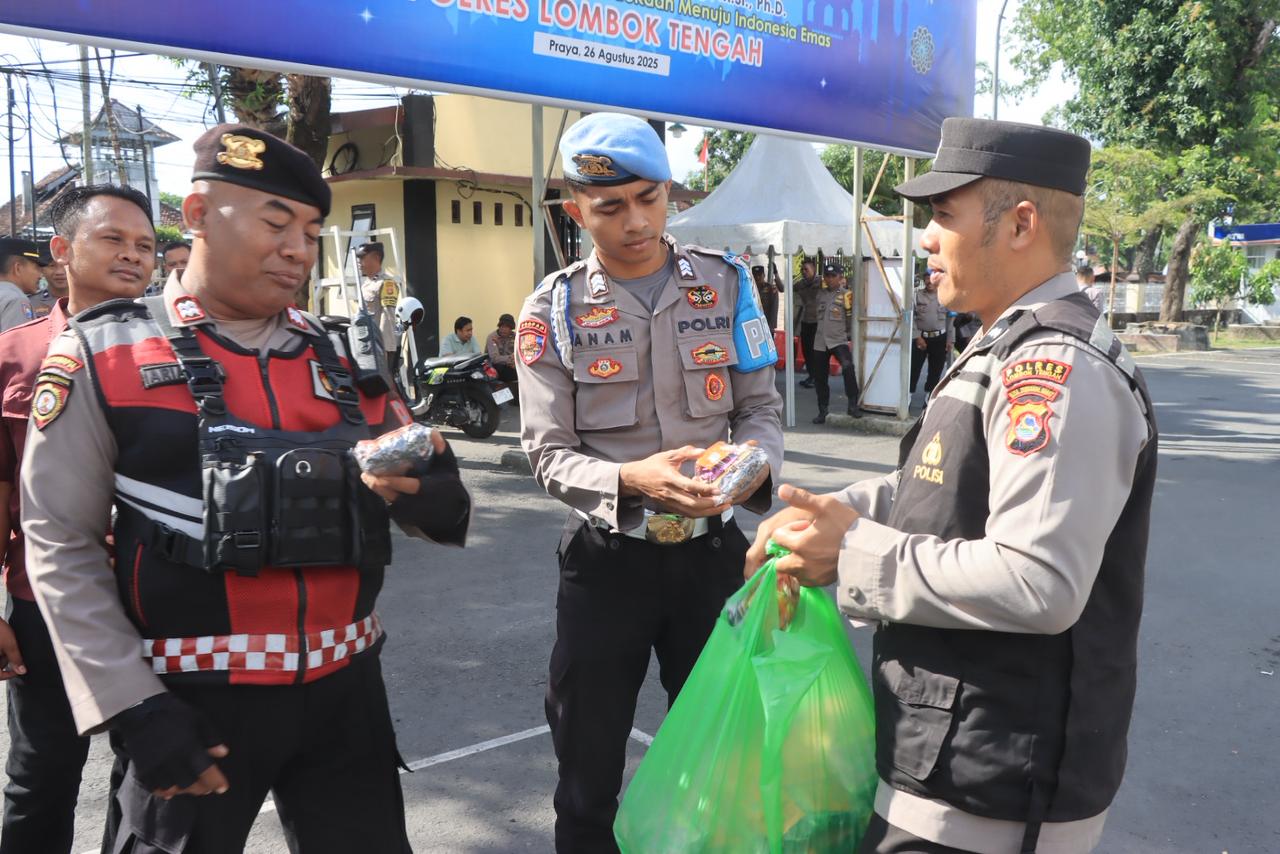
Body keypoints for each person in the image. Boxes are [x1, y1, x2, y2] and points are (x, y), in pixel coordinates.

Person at [22, 125, 472, 853]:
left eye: (311, 232)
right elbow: (60, 542)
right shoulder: (102, 352)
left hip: (347, 693)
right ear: (198, 215)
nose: (298, 248)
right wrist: (131, 706)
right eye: (276, 223)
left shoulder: (341, 352)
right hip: (189, 707)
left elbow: (428, 477)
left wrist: (437, 499)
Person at [745, 118, 1157, 854]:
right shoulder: (1003, 341)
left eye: (942, 215)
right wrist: (838, 514)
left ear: (1021, 224)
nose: (926, 239)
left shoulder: (1057, 367)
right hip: (948, 761)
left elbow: (1037, 580)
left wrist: (853, 555)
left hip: (992, 792)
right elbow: (942, 486)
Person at [516, 112, 783, 853]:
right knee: (587, 773)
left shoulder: (727, 285)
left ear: (670, 193)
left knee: (724, 760)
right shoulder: (553, 309)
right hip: (608, 565)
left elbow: (760, 410)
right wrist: (632, 478)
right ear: (576, 210)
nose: (635, 222)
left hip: (712, 559)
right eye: (610, 207)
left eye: (649, 198)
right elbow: (547, 452)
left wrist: (748, 468)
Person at [0, 184, 155, 854]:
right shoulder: (15, 355)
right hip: (48, 606)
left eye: (144, 245)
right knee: (41, 777)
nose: (133, 256)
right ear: (61, 250)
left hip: (156, 598)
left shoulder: (178, 351)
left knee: (149, 779)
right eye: (113, 239)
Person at [809, 258, 861, 422]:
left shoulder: (846, 295)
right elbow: (806, 282)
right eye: (827, 276)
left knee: (848, 367)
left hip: (838, 339)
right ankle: (822, 410)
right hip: (820, 341)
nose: (830, 279)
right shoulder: (820, 294)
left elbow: (851, 319)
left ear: (840, 277)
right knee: (820, 377)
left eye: (833, 276)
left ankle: (852, 404)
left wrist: (849, 335)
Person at [357, 241, 403, 372]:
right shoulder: (366, 284)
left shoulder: (386, 283)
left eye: (362, 257)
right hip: (365, 345)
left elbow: (388, 319)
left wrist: (383, 351)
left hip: (378, 349)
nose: (359, 262)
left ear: (376, 258)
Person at [909, 272, 950, 398]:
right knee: (914, 367)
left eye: (931, 278)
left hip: (940, 338)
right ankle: (909, 395)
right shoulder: (916, 295)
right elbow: (910, 317)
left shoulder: (946, 295)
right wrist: (917, 336)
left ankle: (929, 396)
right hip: (920, 338)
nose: (929, 281)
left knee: (936, 369)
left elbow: (950, 319)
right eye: (926, 278)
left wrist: (950, 339)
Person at [0, 239, 42, 332]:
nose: (40, 275)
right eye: (36, 268)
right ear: (18, 268)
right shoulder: (15, 299)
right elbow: (16, 341)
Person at [793, 257, 820, 388]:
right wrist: (776, 275)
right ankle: (811, 376)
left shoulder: (822, 282)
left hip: (818, 323)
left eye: (806, 269)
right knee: (806, 351)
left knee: (816, 352)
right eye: (802, 269)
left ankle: (817, 378)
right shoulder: (800, 284)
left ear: (814, 269)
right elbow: (784, 289)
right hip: (805, 322)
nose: (804, 272)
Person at [485, 313, 518, 403]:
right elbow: (494, 358)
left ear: (511, 328)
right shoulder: (492, 337)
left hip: (511, 365)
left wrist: (514, 362)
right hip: (494, 367)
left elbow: (519, 354)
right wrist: (510, 359)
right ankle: (502, 402)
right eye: (502, 326)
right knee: (505, 370)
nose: (504, 329)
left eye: (507, 327)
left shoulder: (515, 337)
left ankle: (515, 400)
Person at [27, 243, 66, 319]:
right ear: (41, 269)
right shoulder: (30, 303)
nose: (59, 272)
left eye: (64, 265)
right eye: (52, 266)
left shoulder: (88, 300)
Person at [751, 262, 779, 332]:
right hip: (753, 323)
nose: (757, 277)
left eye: (759, 275)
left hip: (767, 323)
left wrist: (771, 326)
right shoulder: (749, 289)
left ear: (764, 275)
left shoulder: (771, 289)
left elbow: (774, 308)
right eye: (755, 275)